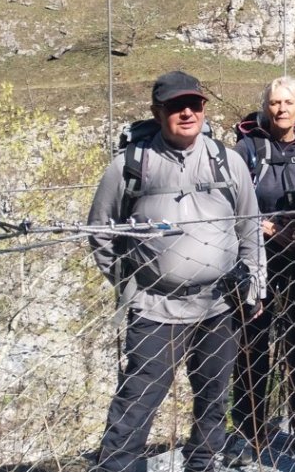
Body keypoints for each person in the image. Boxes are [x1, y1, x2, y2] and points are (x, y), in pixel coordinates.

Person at [87, 70, 265, 472]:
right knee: (138, 399)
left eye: (195, 104)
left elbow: (249, 226)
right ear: (157, 111)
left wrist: (254, 284)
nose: (187, 113)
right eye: (175, 106)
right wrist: (128, 283)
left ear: (204, 108)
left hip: (220, 305)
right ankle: (118, 466)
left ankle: (202, 464)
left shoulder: (228, 161)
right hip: (155, 307)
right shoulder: (129, 166)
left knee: (214, 398)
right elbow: (100, 232)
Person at [226, 76, 295, 463]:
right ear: (265, 106)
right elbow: (231, 200)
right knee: (254, 342)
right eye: (274, 103)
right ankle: (249, 431)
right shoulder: (246, 148)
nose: (281, 109)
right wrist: (261, 224)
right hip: (256, 257)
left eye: (288, 102)